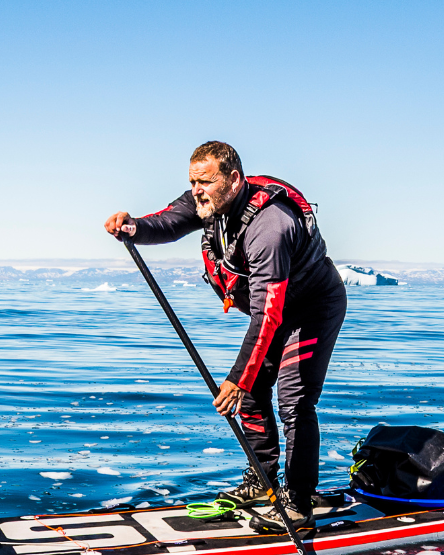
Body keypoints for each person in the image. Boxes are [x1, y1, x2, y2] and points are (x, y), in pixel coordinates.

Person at [105, 140, 347, 530]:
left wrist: (237, 377)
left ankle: (299, 504)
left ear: (234, 180)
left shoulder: (270, 227)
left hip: (312, 309)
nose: (196, 189)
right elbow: (169, 221)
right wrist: (133, 226)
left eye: (205, 181)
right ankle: (262, 481)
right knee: (251, 394)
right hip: (276, 309)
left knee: (294, 400)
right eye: (192, 181)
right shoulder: (208, 201)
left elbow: (269, 313)